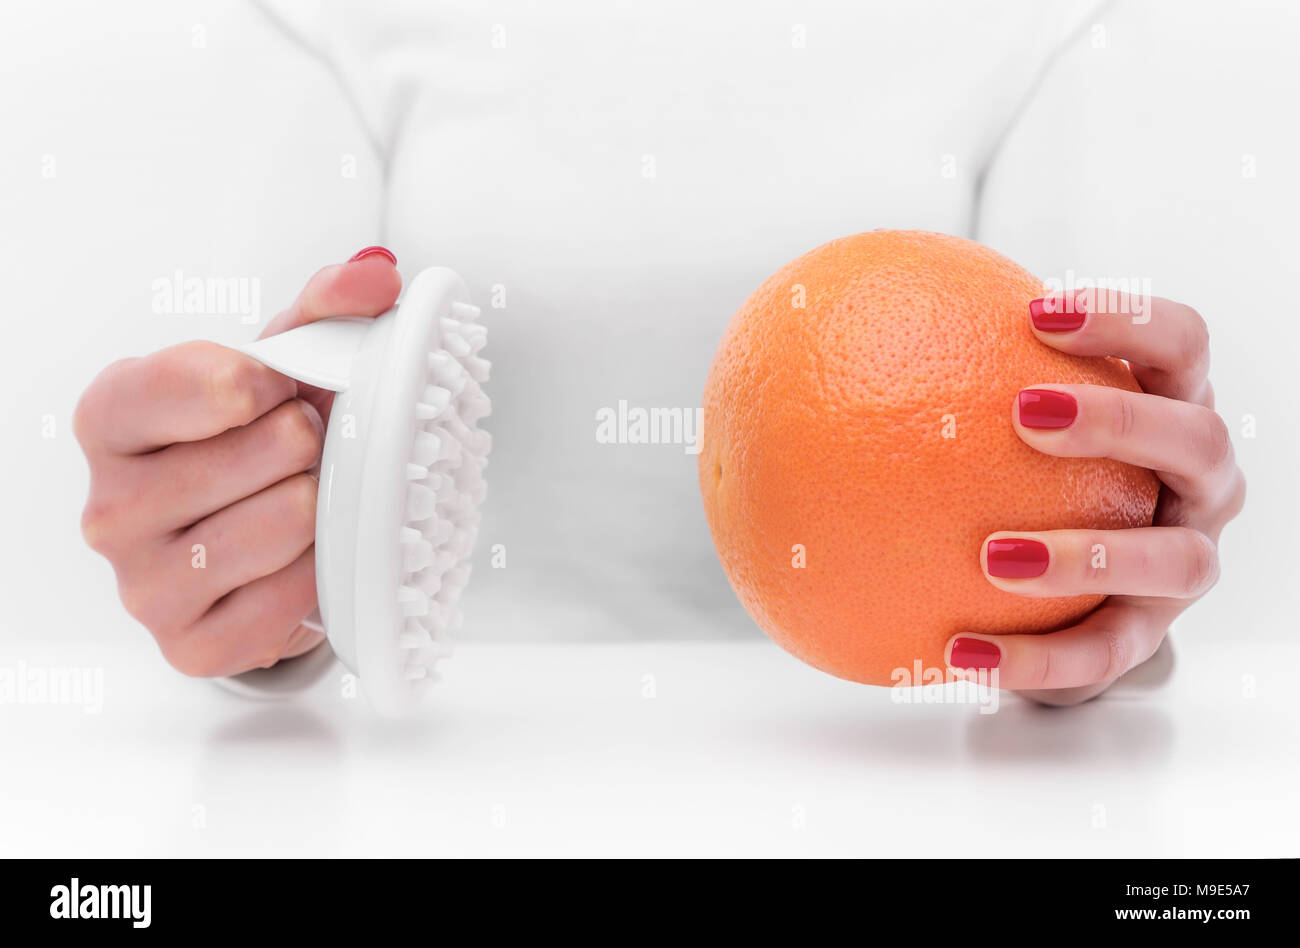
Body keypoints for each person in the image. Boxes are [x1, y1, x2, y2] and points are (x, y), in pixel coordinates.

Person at [71, 1, 1248, 705]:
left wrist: (1107, 595)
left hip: (904, 795)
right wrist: (240, 557)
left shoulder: (1028, 28)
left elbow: (1078, 469)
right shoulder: (330, 23)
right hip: (447, 787)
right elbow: (281, 410)